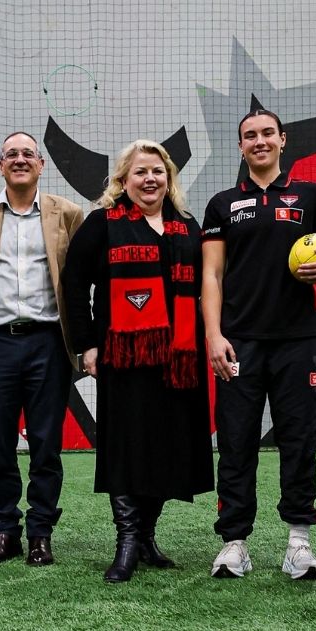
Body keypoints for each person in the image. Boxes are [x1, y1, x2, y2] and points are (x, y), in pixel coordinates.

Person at [201, 108, 316, 580]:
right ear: (240, 146)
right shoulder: (223, 203)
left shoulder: (312, 196)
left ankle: (299, 543)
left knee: (299, 439)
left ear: (282, 140)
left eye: (267, 133)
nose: (259, 141)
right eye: (250, 135)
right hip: (239, 342)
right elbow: (211, 276)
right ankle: (234, 543)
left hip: (297, 341)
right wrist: (214, 335)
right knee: (236, 442)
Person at [61, 139, 213, 583]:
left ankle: (146, 535)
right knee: (127, 448)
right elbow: (74, 285)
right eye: (140, 172)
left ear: (169, 178)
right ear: (122, 180)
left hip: (179, 360)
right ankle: (126, 541)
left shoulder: (187, 226)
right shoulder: (102, 224)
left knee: (169, 447)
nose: (150, 179)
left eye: (158, 172)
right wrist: (87, 345)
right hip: (124, 361)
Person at [0, 132, 84, 567]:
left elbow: (76, 279)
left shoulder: (68, 213)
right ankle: (4, 531)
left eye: (27, 153)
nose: (19, 159)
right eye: (11, 154)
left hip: (49, 343)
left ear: (40, 164)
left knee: (46, 445)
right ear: (0, 165)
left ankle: (40, 534)